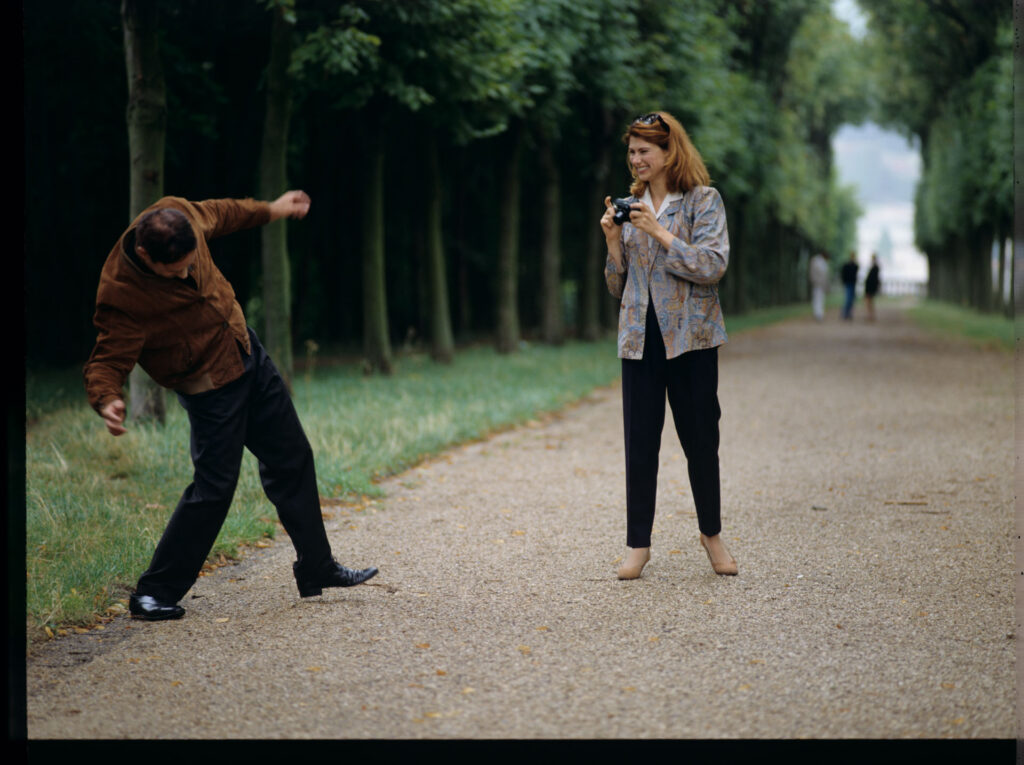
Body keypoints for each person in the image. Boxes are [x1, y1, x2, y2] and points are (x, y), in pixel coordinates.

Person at [84, 192, 378, 621]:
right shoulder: (122, 294)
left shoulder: (179, 213)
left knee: (293, 457)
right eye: (176, 269)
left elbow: (225, 214)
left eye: (191, 262)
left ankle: (317, 565)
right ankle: (153, 593)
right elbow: (108, 358)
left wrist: (274, 209)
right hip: (208, 386)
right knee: (214, 489)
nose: (187, 272)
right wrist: (107, 398)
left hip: (245, 351)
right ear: (146, 255)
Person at [600, 111, 737, 580]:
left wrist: (657, 231)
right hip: (640, 339)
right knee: (640, 443)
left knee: (701, 439)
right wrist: (615, 242)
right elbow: (619, 287)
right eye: (631, 151)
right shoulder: (630, 205)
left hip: (692, 340)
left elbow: (713, 265)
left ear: (668, 153)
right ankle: (638, 545)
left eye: (643, 151)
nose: (635, 159)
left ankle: (711, 535)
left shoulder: (703, 201)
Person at [808, 251, 830, 321]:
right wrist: (814, 281)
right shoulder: (815, 260)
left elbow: (825, 275)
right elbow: (812, 272)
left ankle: (819, 313)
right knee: (817, 299)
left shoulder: (824, 263)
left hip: (822, 284)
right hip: (817, 283)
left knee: (821, 299)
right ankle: (817, 314)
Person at [840, 251, 858, 320]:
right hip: (848, 284)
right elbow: (843, 274)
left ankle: (849, 313)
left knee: (851, 300)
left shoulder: (855, 266)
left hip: (852, 284)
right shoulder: (847, 266)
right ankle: (845, 313)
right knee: (847, 299)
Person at [864, 253, 880, 321]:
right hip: (870, 287)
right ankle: (870, 316)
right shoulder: (875, 267)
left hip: (870, 287)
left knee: (869, 302)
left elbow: (874, 279)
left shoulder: (875, 267)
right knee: (869, 302)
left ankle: (870, 316)